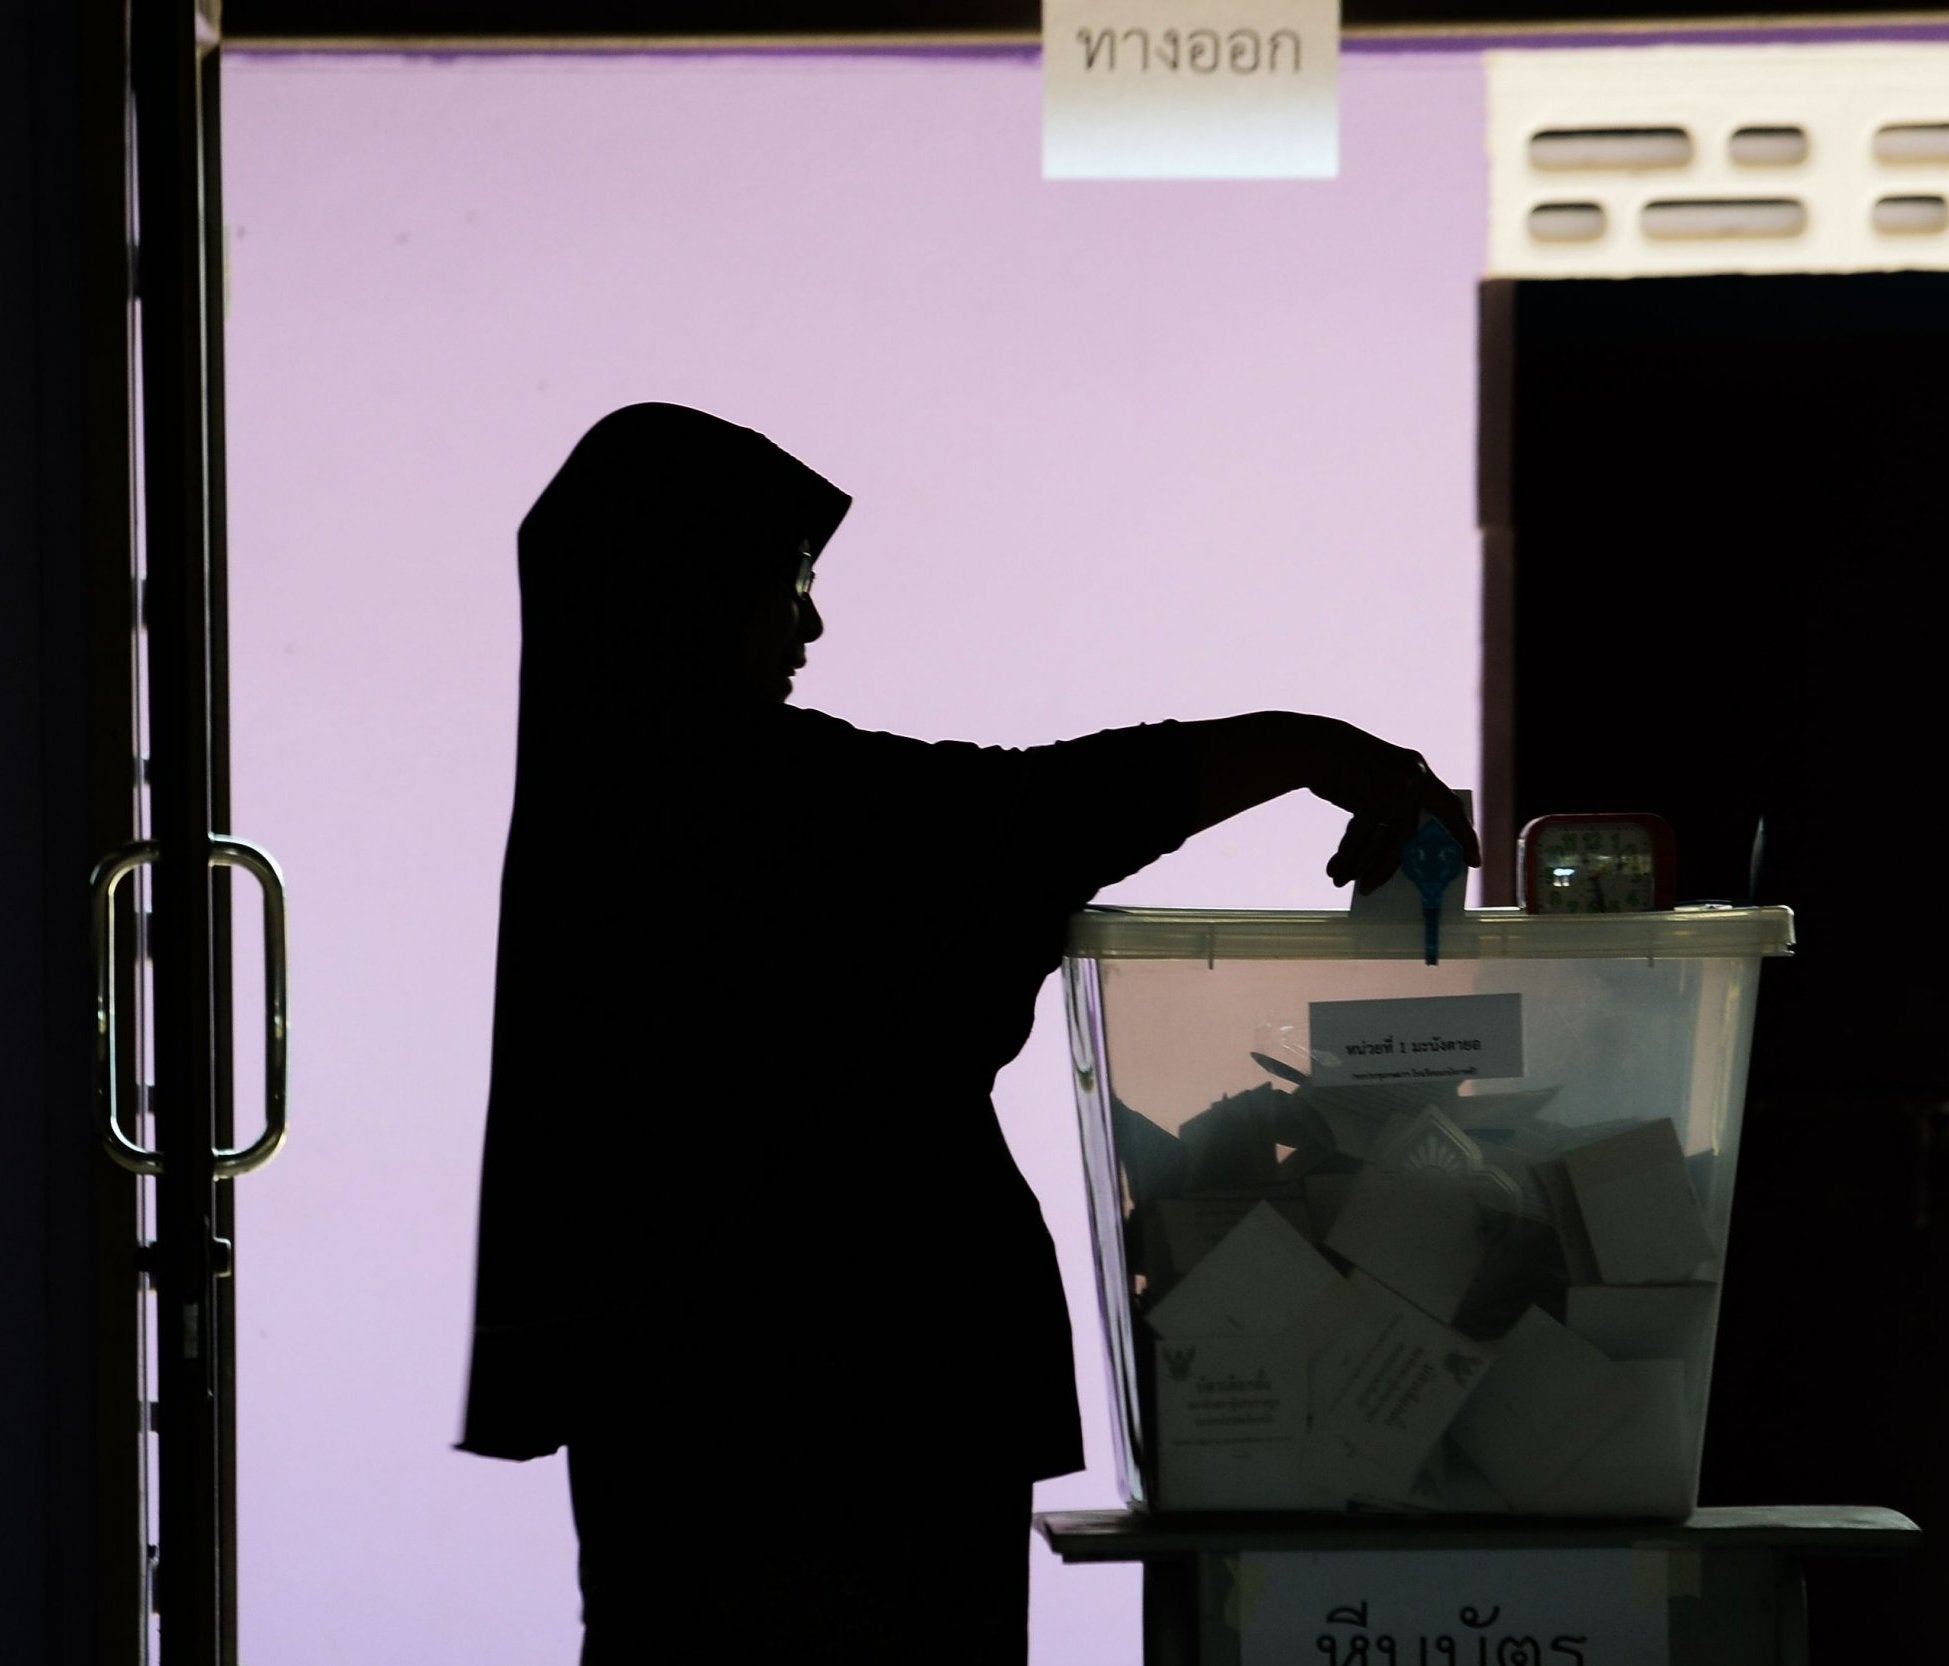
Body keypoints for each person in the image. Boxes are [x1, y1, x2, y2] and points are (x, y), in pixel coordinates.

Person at [458, 402, 1478, 1663]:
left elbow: (997, 818)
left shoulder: (598, 812)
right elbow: (1020, 818)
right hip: (871, 1397)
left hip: (670, 1409)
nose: (811, 624)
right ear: (690, 589)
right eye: (788, 582)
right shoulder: (745, 803)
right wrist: (1317, 749)